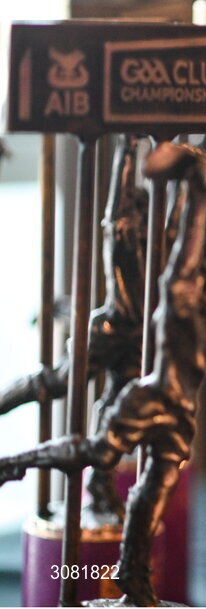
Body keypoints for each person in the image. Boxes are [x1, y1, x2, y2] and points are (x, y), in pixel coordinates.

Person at [0, 142, 206, 605]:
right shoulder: (177, 304)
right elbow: (184, 253)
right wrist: (198, 198)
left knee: (151, 493)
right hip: (149, 398)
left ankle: (132, 574)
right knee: (99, 452)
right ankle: (20, 462)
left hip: (181, 415)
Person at [0, 135, 148, 517]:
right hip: (111, 331)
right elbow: (116, 212)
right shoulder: (124, 239)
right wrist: (127, 150)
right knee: (62, 383)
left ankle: (100, 490)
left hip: (136, 344)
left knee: (112, 428)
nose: (144, 222)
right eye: (141, 214)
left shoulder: (161, 248)